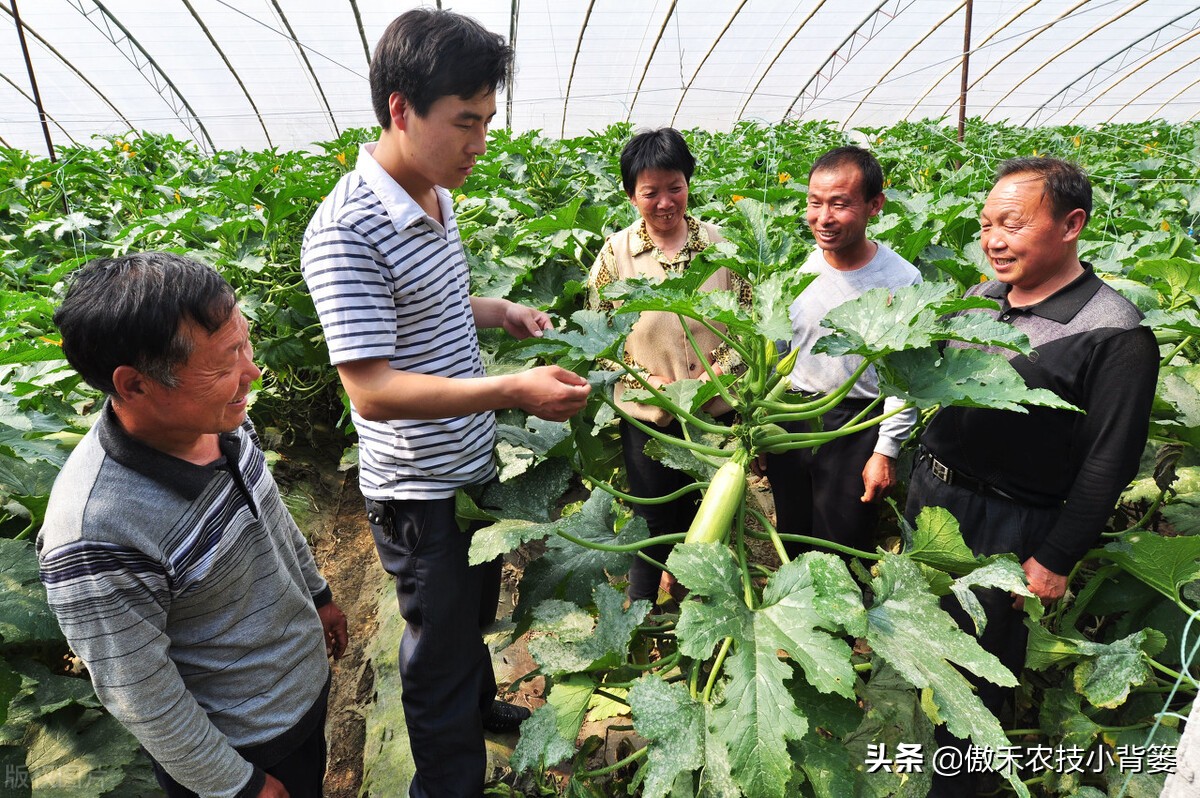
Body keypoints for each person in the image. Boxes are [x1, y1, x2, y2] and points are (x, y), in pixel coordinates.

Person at [299, 9, 590, 797]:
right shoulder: (347, 230)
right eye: (466, 122)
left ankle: (482, 703)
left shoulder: (431, 194)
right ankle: (448, 783)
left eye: (487, 121)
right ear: (401, 109)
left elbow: (437, 303)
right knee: (435, 650)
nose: (479, 143)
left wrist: (500, 313)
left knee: (473, 612)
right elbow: (374, 389)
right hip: (417, 490)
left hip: (465, 464)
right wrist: (510, 389)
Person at [37, 252, 348, 798]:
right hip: (243, 749)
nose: (250, 372)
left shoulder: (221, 415)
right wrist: (237, 785)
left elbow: (268, 514)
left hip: (298, 694)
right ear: (134, 385)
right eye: (225, 362)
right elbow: (141, 692)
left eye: (244, 344)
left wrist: (318, 593)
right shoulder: (95, 533)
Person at [905, 157, 1158, 792]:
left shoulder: (1115, 332)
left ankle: (961, 785)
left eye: (1012, 225)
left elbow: (1110, 461)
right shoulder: (981, 297)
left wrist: (1057, 557)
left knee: (980, 677)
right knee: (927, 641)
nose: (993, 240)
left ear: (1072, 224)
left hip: (1010, 525)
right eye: (987, 224)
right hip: (936, 501)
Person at [587, 127, 750, 604]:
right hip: (650, 417)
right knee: (656, 524)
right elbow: (599, 339)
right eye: (650, 192)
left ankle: (704, 615)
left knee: (715, 521)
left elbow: (747, 325)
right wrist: (646, 380)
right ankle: (643, 615)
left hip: (715, 414)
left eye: (674, 187)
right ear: (631, 195)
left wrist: (719, 371)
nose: (664, 202)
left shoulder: (721, 246)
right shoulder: (615, 255)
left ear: (688, 183)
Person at [761, 146, 921, 558]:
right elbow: (777, 350)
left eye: (839, 204)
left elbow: (907, 377)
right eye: (814, 203)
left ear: (875, 205)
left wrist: (886, 450)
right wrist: (765, 424)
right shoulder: (799, 268)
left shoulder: (902, 279)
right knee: (794, 536)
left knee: (843, 545)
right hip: (791, 416)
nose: (823, 217)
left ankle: (840, 622)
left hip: (856, 425)